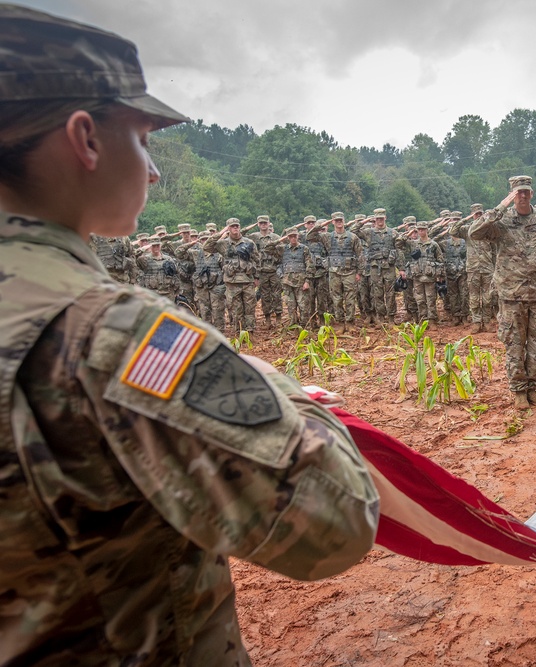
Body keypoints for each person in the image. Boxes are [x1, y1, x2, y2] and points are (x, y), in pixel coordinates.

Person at [0, 7, 378, 664]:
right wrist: (277, 386)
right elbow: (332, 517)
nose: (153, 171)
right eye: (143, 138)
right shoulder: (111, 331)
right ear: (85, 138)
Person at [470, 176, 536, 410]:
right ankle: (519, 390)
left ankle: (533, 388)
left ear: (532, 193)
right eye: (518, 192)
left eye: (526, 191)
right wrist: (500, 207)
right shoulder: (501, 222)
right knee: (514, 343)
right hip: (510, 295)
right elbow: (474, 233)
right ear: (511, 194)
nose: (522, 196)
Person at [203, 217, 260, 333]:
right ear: (228, 228)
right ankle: (239, 331)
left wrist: (257, 277)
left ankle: (250, 331)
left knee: (249, 308)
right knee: (235, 309)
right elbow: (206, 247)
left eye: (237, 226)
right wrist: (220, 233)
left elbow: (258, 260)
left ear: (239, 227)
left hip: (247, 280)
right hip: (231, 282)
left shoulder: (248, 243)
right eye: (232, 226)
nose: (235, 228)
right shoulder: (223, 244)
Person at [450, 203, 497, 332]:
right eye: (476, 214)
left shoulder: (489, 229)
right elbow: (452, 231)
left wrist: (495, 267)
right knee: (474, 297)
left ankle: (487, 321)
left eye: (480, 214)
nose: (478, 216)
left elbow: (494, 251)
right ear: (472, 215)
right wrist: (465, 219)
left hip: (487, 268)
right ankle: (476, 322)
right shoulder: (467, 229)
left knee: (488, 297)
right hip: (473, 269)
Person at [250, 214, 283, 328]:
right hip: (262, 271)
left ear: (269, 224)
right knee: (265, 296)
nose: (264, 225)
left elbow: (282, 253)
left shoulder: (276, 237)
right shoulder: (254, 237)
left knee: (277, 295)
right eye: (261, 223)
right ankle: (268, 319)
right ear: (258, 224)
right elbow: (240, 236)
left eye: (265, 223)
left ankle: (278, 318)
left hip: (274, 270)